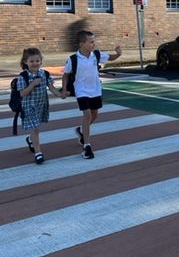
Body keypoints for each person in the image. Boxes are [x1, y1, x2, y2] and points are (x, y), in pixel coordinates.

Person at [61, 30, 122, 159]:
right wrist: (64, 89)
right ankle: (87, 147)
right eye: (91, 42)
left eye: (94, 41)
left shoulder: (97, 55)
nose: (94, 44)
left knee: (94, 115)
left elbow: (111, 57)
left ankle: (81, 131)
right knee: (87, 115)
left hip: (95, 90)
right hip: (81, 90)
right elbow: (66, 75)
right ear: (82, 43)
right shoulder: (73, 59)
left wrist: (118, 53)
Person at [17, 48, 64, 164]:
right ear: (25, 62)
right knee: (36, 129)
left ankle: (30, 139)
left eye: (37, 61)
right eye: (31, 61)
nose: (35, 63)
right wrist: (32, 84)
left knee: (36, 128)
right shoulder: (23, 76)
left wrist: (60, 94)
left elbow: (52, 88)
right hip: (29, 106)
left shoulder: (45, 74)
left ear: (41, 61)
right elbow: (22, 93)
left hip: (41, 105)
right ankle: (38, 153)